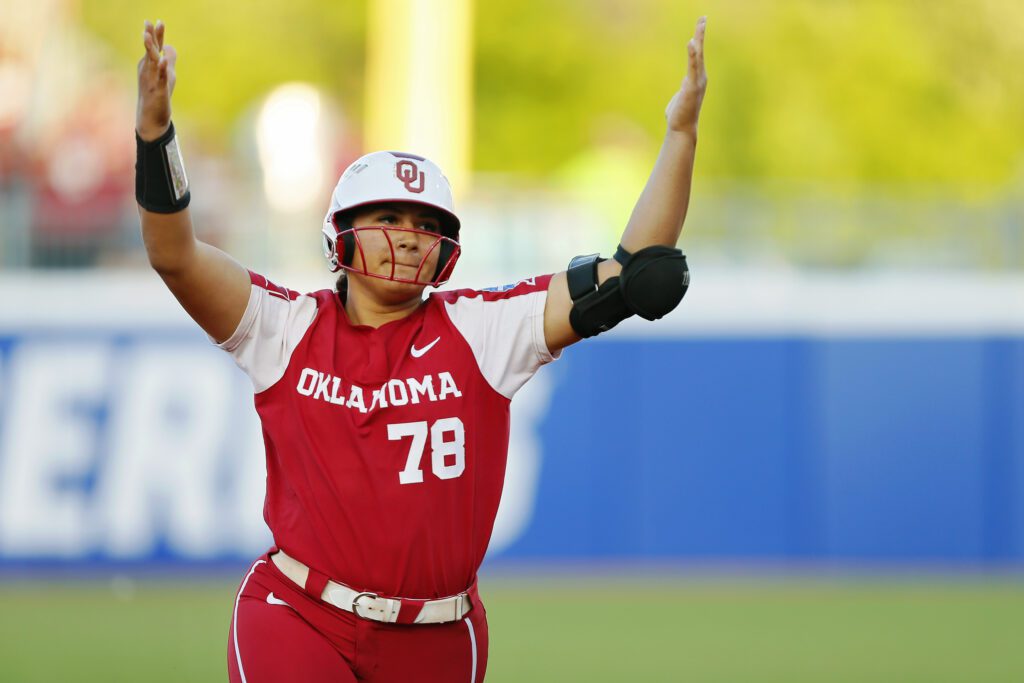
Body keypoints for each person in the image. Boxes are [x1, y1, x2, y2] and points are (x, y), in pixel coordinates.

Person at [135, 16, 707, 683]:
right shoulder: (283, 326)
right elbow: (172, 252)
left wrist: (681, 134)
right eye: (388, 218)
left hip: (438, 635)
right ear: (339, 236)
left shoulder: (484, 330)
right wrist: (155, 130)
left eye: (427, 224)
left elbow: (630, 272)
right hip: (297, 614)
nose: (409, 237)